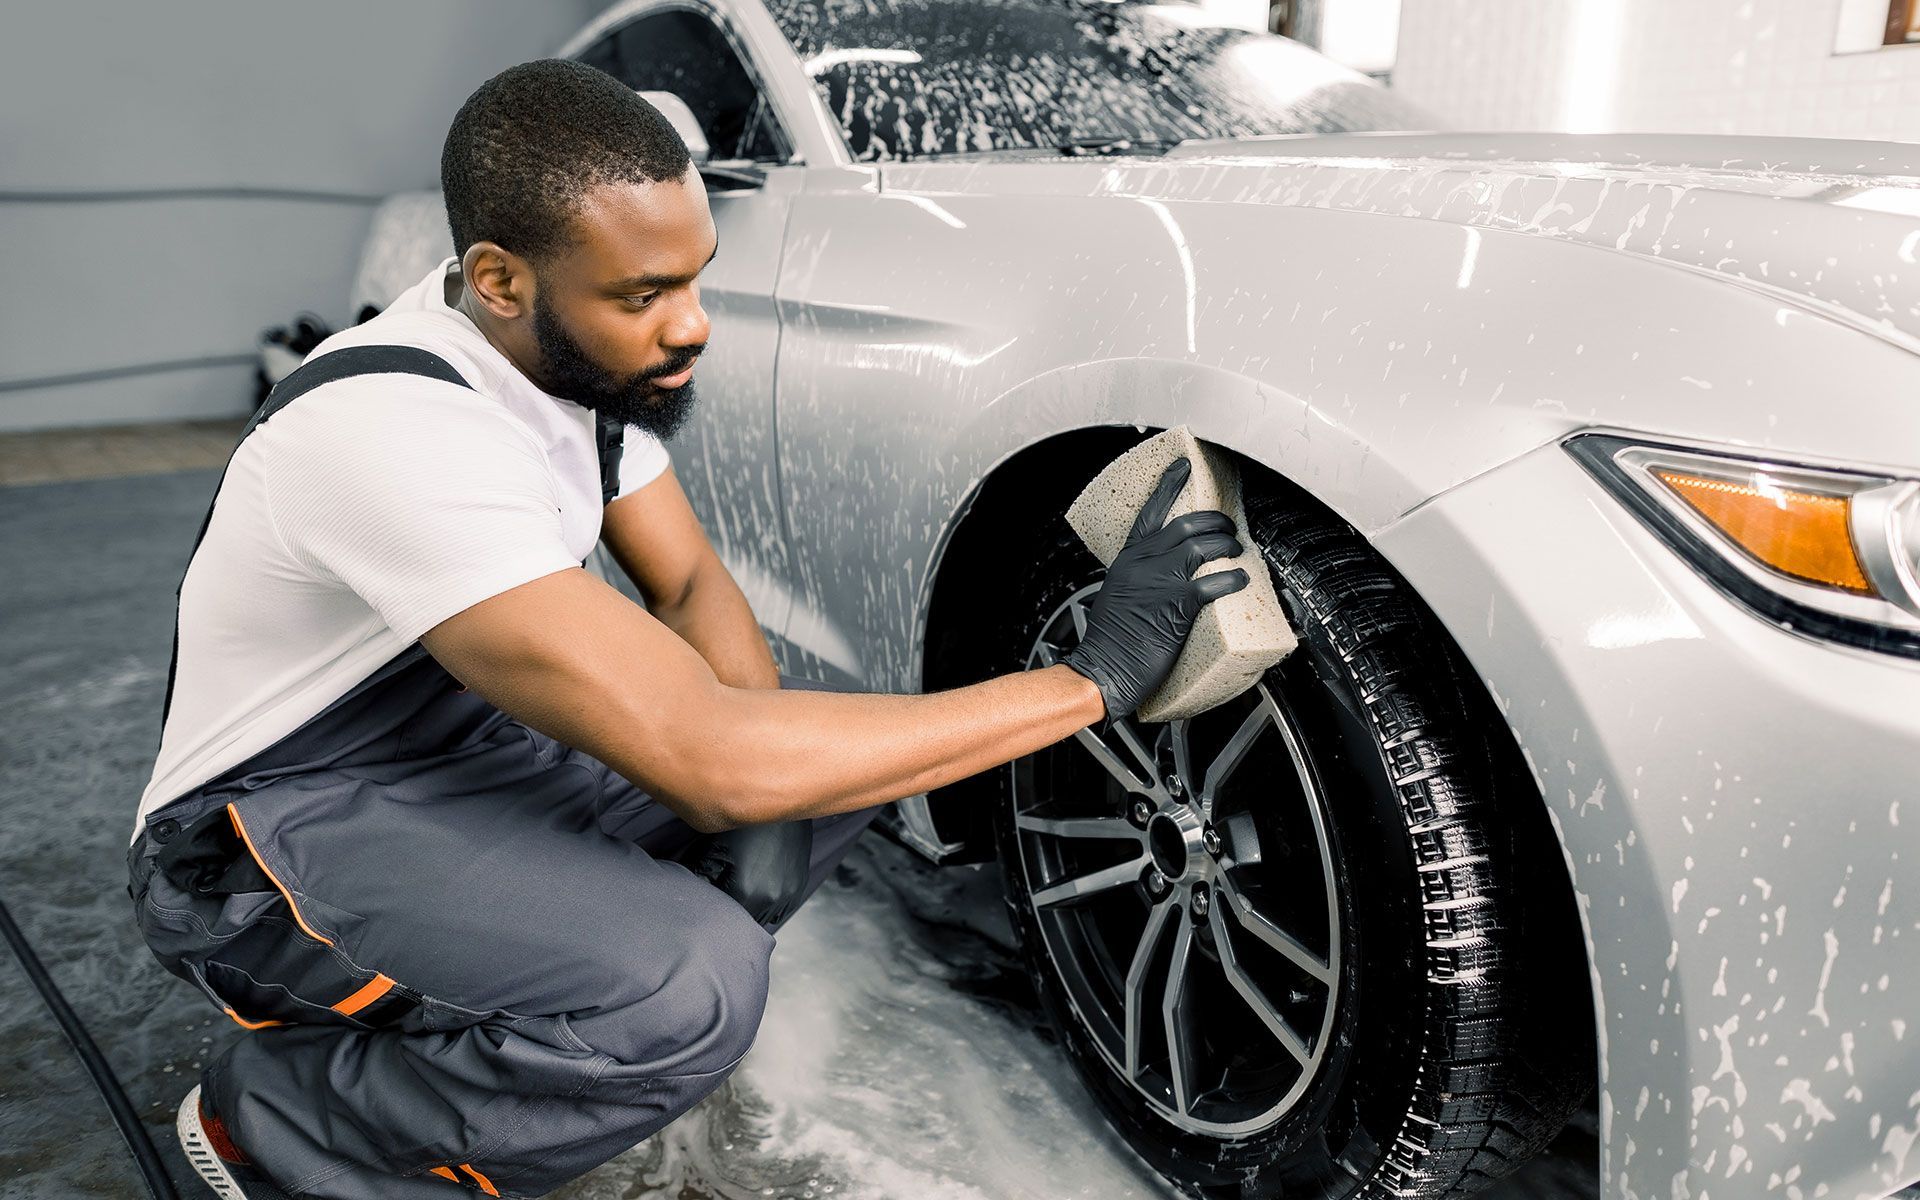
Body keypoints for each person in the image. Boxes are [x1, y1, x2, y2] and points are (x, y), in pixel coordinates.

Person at [125, 59, 1248, 1200]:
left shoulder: (555, 365)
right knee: (687, 983)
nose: (692, 325)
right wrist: (1093, 677)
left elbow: (689, 584)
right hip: (263, 843)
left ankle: (554, 1013)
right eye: (643, 295)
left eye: (696, 278)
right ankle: (282, 1124)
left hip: (460, 758)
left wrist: (769, 798)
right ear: (500, 280)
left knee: (834, 756)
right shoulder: (398, 433)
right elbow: (713, 765)